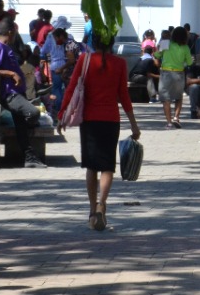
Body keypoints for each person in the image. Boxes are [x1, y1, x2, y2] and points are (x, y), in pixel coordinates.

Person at [57, 31, 141, 231]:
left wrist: (62, 115)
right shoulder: (120, 64)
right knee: (107, 166)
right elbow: (124, 96)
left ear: (93, 43)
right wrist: (134, 124)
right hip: (110, 120)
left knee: (91, 167)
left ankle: (92, 209)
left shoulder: (85, 60)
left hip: (89, 120)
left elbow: (71, 88)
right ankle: (103, 203)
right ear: (112, 43)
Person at [0, 19, 45, 168]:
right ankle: (28, 148)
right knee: (33, 113)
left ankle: (29, 157)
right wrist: (12, 73)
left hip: (17, 92)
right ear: (10, 32)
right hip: (11, 95)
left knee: (21, 127)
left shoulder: (5, 47)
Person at [156, 25, 193, 128]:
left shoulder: (165, 43)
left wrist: (157, 51)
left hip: (166, 74)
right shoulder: (185, 48)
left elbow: (157, 55)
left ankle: (168, 122)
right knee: (178, 97)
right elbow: (189, 62)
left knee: (166, 98)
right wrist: (184, 63)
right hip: (179, 74)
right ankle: (176, 117)